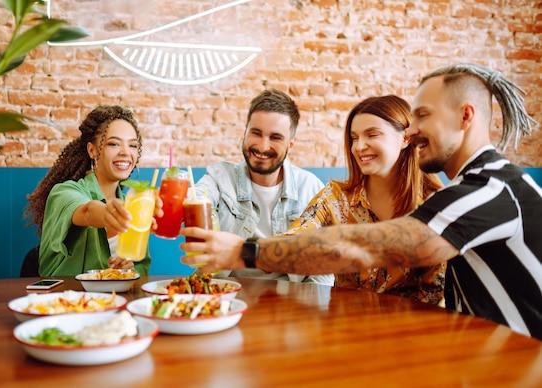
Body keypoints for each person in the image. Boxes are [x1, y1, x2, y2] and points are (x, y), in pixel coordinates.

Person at [181, 63, 542, 340]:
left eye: (422, 116)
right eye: (354, 137)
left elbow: (362, 249)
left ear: (465, 116)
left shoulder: (486, 191)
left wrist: (246, 251)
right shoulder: (468, 190)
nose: (412, 130)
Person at [284, 95, 446, 305]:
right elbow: (294, 239)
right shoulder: (335, 197)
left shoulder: (433, 205)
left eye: (372, 134)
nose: (359, 146)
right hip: (345, 327)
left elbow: (435, 293)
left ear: (405, 138)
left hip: (410, 330)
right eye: (354, 137)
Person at [194, 88, 332, 285]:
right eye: (256, 133)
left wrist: (307, 308)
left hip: (291, 302)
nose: (262, 146)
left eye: (275, 137)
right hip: (226, 297)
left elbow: (323, 268)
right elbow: (197, 197)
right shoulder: (219, 176)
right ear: (245, 133)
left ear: (291, 144)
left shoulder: (311, 189)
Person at [25, 105, 162, 276]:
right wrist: (108, 214)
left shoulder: (133, 204)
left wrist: (128, 269)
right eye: (114, 143)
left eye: (133, 146)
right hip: (67, 298)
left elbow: (140, 266)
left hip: (114, 299)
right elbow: (88, 211)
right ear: (92, 150)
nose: (126, 152)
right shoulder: (64, 192)